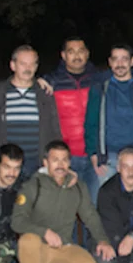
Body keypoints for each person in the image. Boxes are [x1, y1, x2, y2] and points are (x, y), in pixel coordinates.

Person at [11, 141, 115, 263]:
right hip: (37, 250)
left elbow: (90, 216)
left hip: (63, 247)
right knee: (27, 240)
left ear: (69, 162)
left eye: (64, 160)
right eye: (55, 160)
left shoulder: (78, 187)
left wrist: (102, 240)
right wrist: (44, 232)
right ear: (46, 162)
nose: (60, 165)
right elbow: (17, 221)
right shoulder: (32, 186)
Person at [0, 45, 61, 177]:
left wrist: (56, 160)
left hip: (37, 164)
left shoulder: (45, 94)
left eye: (32, 64)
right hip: (8, 164)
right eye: (23, 64)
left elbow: (54, 129)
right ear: (13, 65)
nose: (28, 68)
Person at [43, 37, 100, 202]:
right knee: (67, 208)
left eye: (81, 51)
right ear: (63, 55)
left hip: (94, 155)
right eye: (71, 51)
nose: (77, 56)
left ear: (87, 54)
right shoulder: (52, 81)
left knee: (93, 206)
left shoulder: (98, 80)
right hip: (66, 157)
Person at [85, 44, 133, 192]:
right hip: (108, 157)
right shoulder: (100, 87)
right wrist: (93, 153)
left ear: (132, 61)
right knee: (103, 199)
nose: (120, 64)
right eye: (115, 59)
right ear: (110, 62)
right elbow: (91, 122)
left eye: (124, 59)